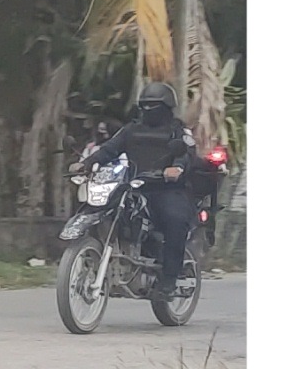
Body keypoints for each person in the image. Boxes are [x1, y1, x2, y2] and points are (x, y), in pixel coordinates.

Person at [71, 81, 196, 301]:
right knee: (106, 208)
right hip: (133, 187)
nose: (149, 110)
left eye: (154, 106)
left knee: (175, 220)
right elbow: (109, 149)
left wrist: (177, 167)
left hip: (167, 189)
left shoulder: (178, 130)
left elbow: (186, 153)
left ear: (166, 107)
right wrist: (87, 163)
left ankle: (168, 280)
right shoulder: (131, 130)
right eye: (145, 106)